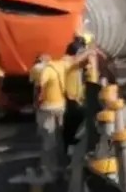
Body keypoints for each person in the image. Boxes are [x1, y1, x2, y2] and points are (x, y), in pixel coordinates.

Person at [36, 46, 93, 181]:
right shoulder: (62, 65)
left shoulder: (48, 69)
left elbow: (39, 87)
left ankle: (49, 170)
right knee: (60, 138)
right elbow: (76, 60)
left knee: (49, 141)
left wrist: (37, 102)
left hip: (48, 108)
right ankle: (61, 167)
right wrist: (90, 51)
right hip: (61, 107)